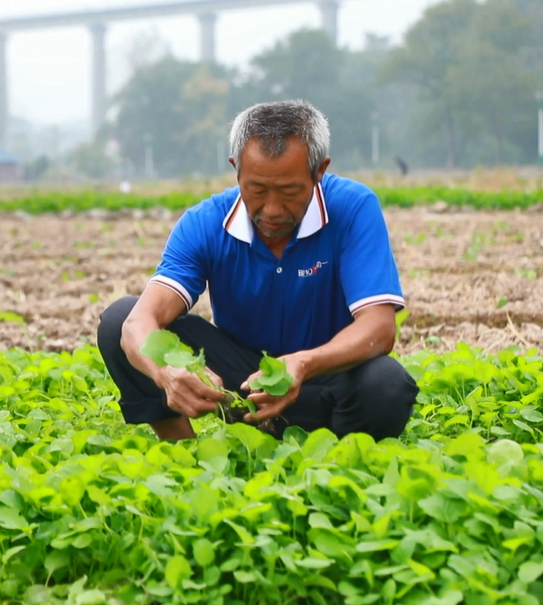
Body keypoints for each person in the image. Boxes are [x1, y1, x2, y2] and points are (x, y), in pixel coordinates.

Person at [97, 100, 419, 441]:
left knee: (386, 383)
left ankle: (336, 457)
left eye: (290, 191)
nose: (272, 208)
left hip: (322, 380)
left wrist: (303, 364)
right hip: (242, 384)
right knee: (120, 319)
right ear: (236, 169)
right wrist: (165, 374)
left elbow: (379, 327)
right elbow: (138, 323)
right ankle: (181, 451)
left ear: (319, 171)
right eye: (257, 189)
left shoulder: (352, 208)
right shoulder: (205, 223)